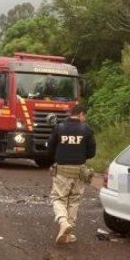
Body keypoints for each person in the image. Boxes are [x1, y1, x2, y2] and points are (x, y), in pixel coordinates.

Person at [47, 104, 96, 244]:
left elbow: (50, 150)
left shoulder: (59, 128)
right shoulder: (87, 130)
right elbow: (92, 153)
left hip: (61, 171)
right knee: (74, 201)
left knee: (58, 198)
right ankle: (68, 233)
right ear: (80, 114)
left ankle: (63, 222)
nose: (84, 119)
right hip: (80, 171)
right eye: (84, 116)